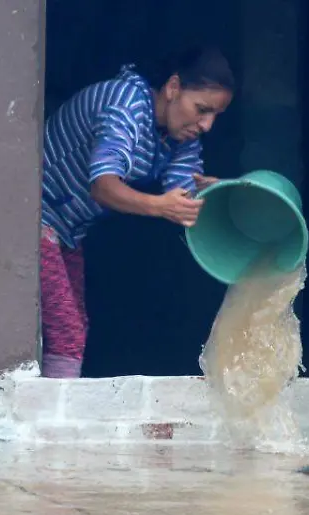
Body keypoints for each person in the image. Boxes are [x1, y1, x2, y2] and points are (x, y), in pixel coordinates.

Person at [38, 46, 235, 378]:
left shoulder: (178, 135)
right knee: (67, 332)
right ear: (173, 88)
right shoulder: (126, 105)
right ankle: (49, 425)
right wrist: (160, 206)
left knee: (74, 329)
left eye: (215, 115)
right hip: (33, 217)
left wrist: (219, 192)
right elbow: (102, 186)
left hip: (67, 232)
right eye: (202, 110)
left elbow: (183, 191)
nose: (206, 125)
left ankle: (53, 417)